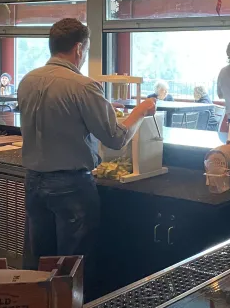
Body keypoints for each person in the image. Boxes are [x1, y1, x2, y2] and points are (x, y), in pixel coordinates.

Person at [17, 18, 156, 298]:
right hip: (71, 187)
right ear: (79, 48)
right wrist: (141, 110)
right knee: (73, 269)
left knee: (38, 267)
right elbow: (116, 138)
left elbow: (60, 118)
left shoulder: (27, 80)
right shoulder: (83, 86)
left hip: (33, 182)